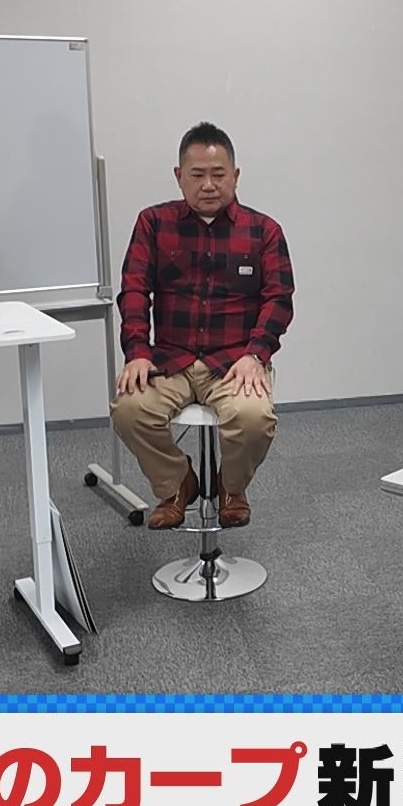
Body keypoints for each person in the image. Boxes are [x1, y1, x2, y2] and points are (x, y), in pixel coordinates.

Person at [112, 122, 294, 529]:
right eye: (197, 175)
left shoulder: (264, 231)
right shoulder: (153, 223)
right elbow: (135, 289)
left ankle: (231, 487)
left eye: (218, 174)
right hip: (170, 359)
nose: (208, 185)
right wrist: (137, 351)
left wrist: (255, 355)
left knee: (253, 418)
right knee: (129, 409)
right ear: (179, 176)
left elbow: (279, 299)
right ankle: (178, 482)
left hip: (234, 362)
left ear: (236, 175)